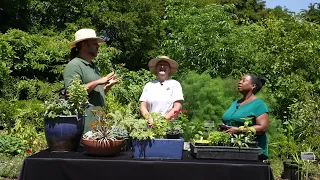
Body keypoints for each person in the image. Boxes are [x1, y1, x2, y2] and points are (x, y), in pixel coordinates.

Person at [63, 28, 121, 133]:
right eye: (95, 43)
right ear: (84, 45)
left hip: (99, 125)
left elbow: (93, 93)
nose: (98, 46)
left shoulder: (94, 66)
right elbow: (72, 93)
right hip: (84, 128)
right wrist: (98, 81)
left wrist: (107, 87)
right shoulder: (74, 65)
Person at [221, 74, 269, 161]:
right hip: (231, 148)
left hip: (250, 151)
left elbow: (263, 128)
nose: (240, 82)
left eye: (244, 80)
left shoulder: (259, 105)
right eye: (240, 80)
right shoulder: (236, 103)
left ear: (253, 86)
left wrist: (239, 130)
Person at [139, 56, 184, 126]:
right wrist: (149, 119)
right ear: (156, 69)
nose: (162, 66)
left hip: (169, 127)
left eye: (165, 65)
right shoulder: (149, 85)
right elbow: (142, 106)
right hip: (150, 126)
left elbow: (177, 106)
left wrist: (163, 121)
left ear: (169, 69)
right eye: (160, 64)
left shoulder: (175, 84)